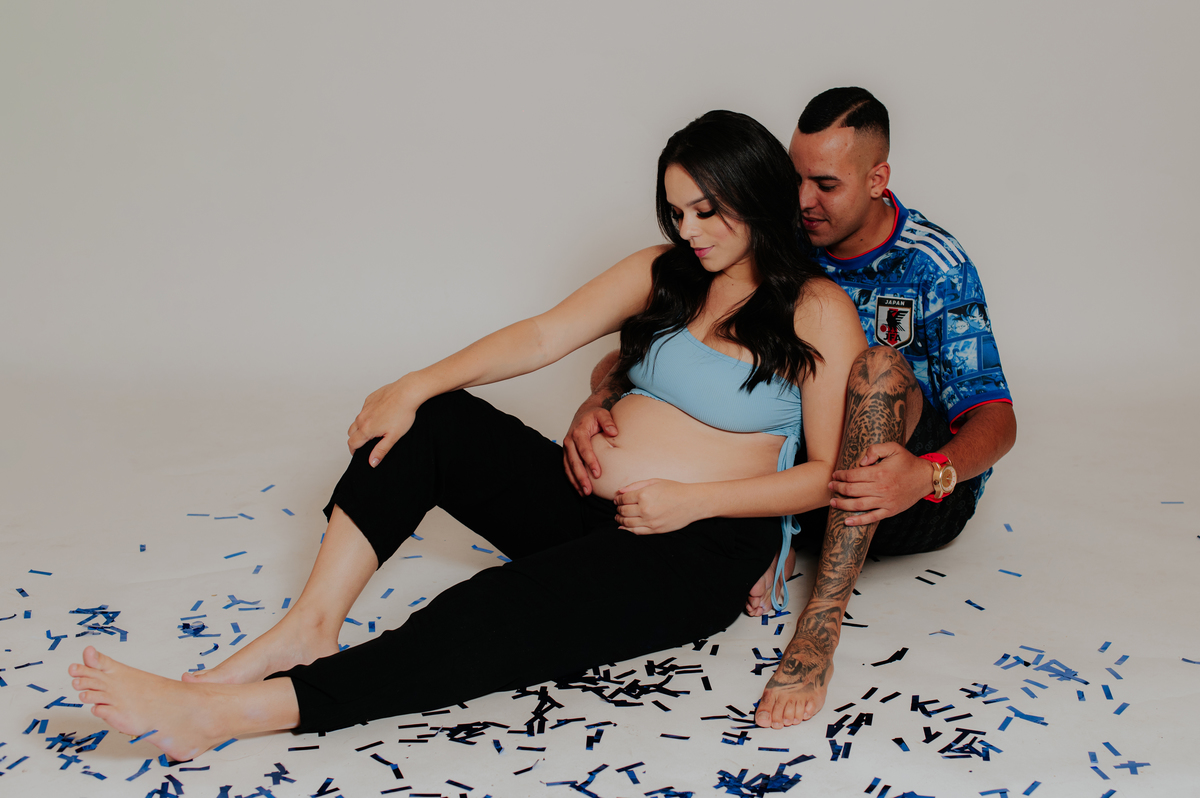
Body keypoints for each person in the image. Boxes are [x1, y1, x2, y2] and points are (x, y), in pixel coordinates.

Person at [67, 110, 869, 762]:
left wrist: (695, 503)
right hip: (589, 502)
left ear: (754, 193)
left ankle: (230, 714)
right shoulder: (666, 272)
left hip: (693, 549)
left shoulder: (816, 310)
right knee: (434, 420)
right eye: (678, 211)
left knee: (493, 609)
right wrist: (415, 383)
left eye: (706, 210)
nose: (690, 229)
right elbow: (543, 335)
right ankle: (310, 624)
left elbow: (827, 475)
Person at [563, 88, 1017, 730]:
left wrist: (927, 474)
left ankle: (818, 629)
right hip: (803, 481)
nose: (803, 200)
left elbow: (997, 418)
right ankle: (775, 531)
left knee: (879, 368)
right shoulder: (777, 240)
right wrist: (602, 397)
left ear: (877, 179)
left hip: (905, 490)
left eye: (825, 184)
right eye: (795, 177)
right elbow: (672, 349)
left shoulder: (933, 265)